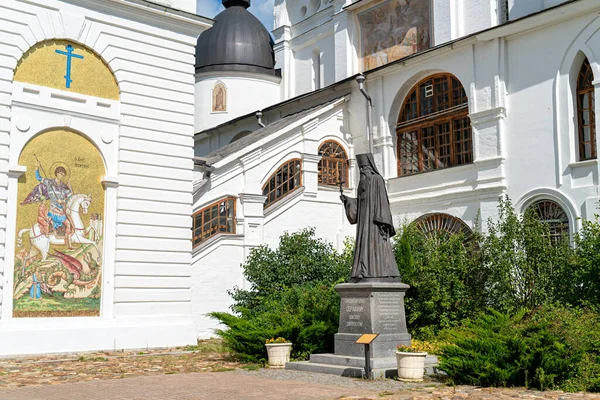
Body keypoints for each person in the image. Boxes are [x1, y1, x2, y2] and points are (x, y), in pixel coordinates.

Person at [340, 153, 400, 282]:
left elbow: (383, 201)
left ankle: (380, 272)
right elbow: (361, 202)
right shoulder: (362, 181)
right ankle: (362, 270)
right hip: (364, 221)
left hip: (375, 221)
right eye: (361, 169)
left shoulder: (377, 179)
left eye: (364, 168)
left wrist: (384, 221)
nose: (362, 171)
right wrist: (348, 201)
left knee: (377, 245)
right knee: (364, 245)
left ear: (370, 167)